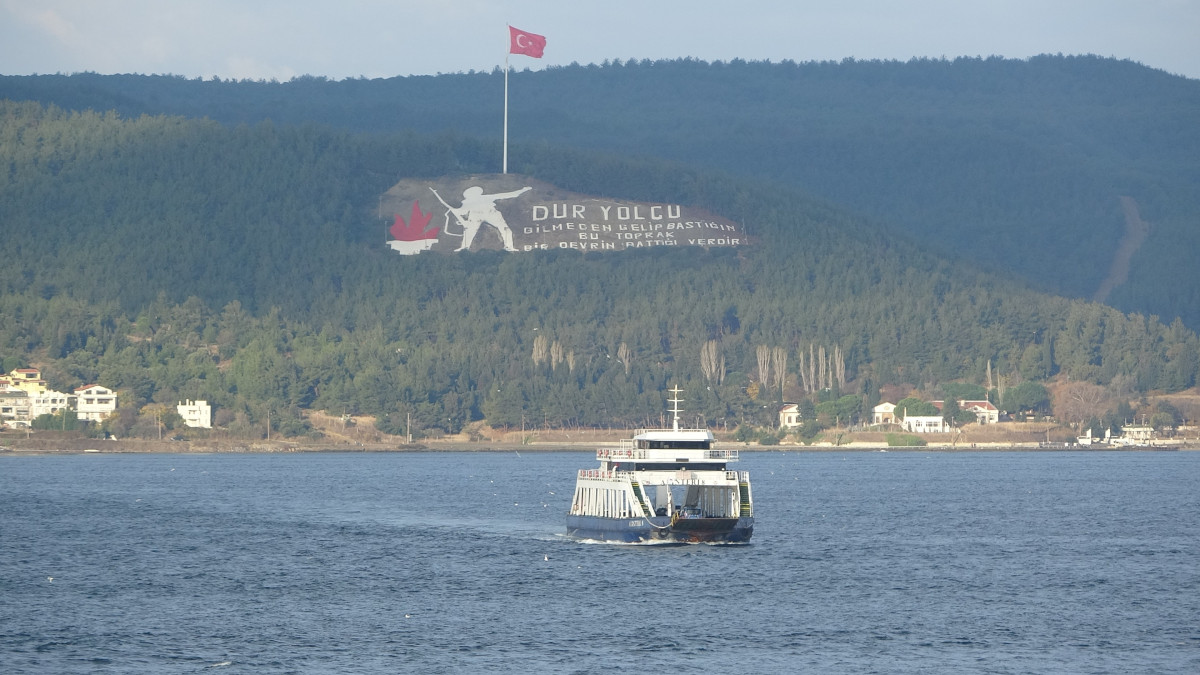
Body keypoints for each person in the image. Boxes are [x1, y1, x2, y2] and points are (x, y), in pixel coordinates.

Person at [437, 185, 531, 252]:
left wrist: (522, 190)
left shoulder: (486, 197)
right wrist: (454, 210)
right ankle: (464, 247)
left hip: (491, 213)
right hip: (476, 216)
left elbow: (508, 195)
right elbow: (461, 212)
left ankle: (509, 247)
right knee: (469, 231)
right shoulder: (466, 202)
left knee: (505, 229)